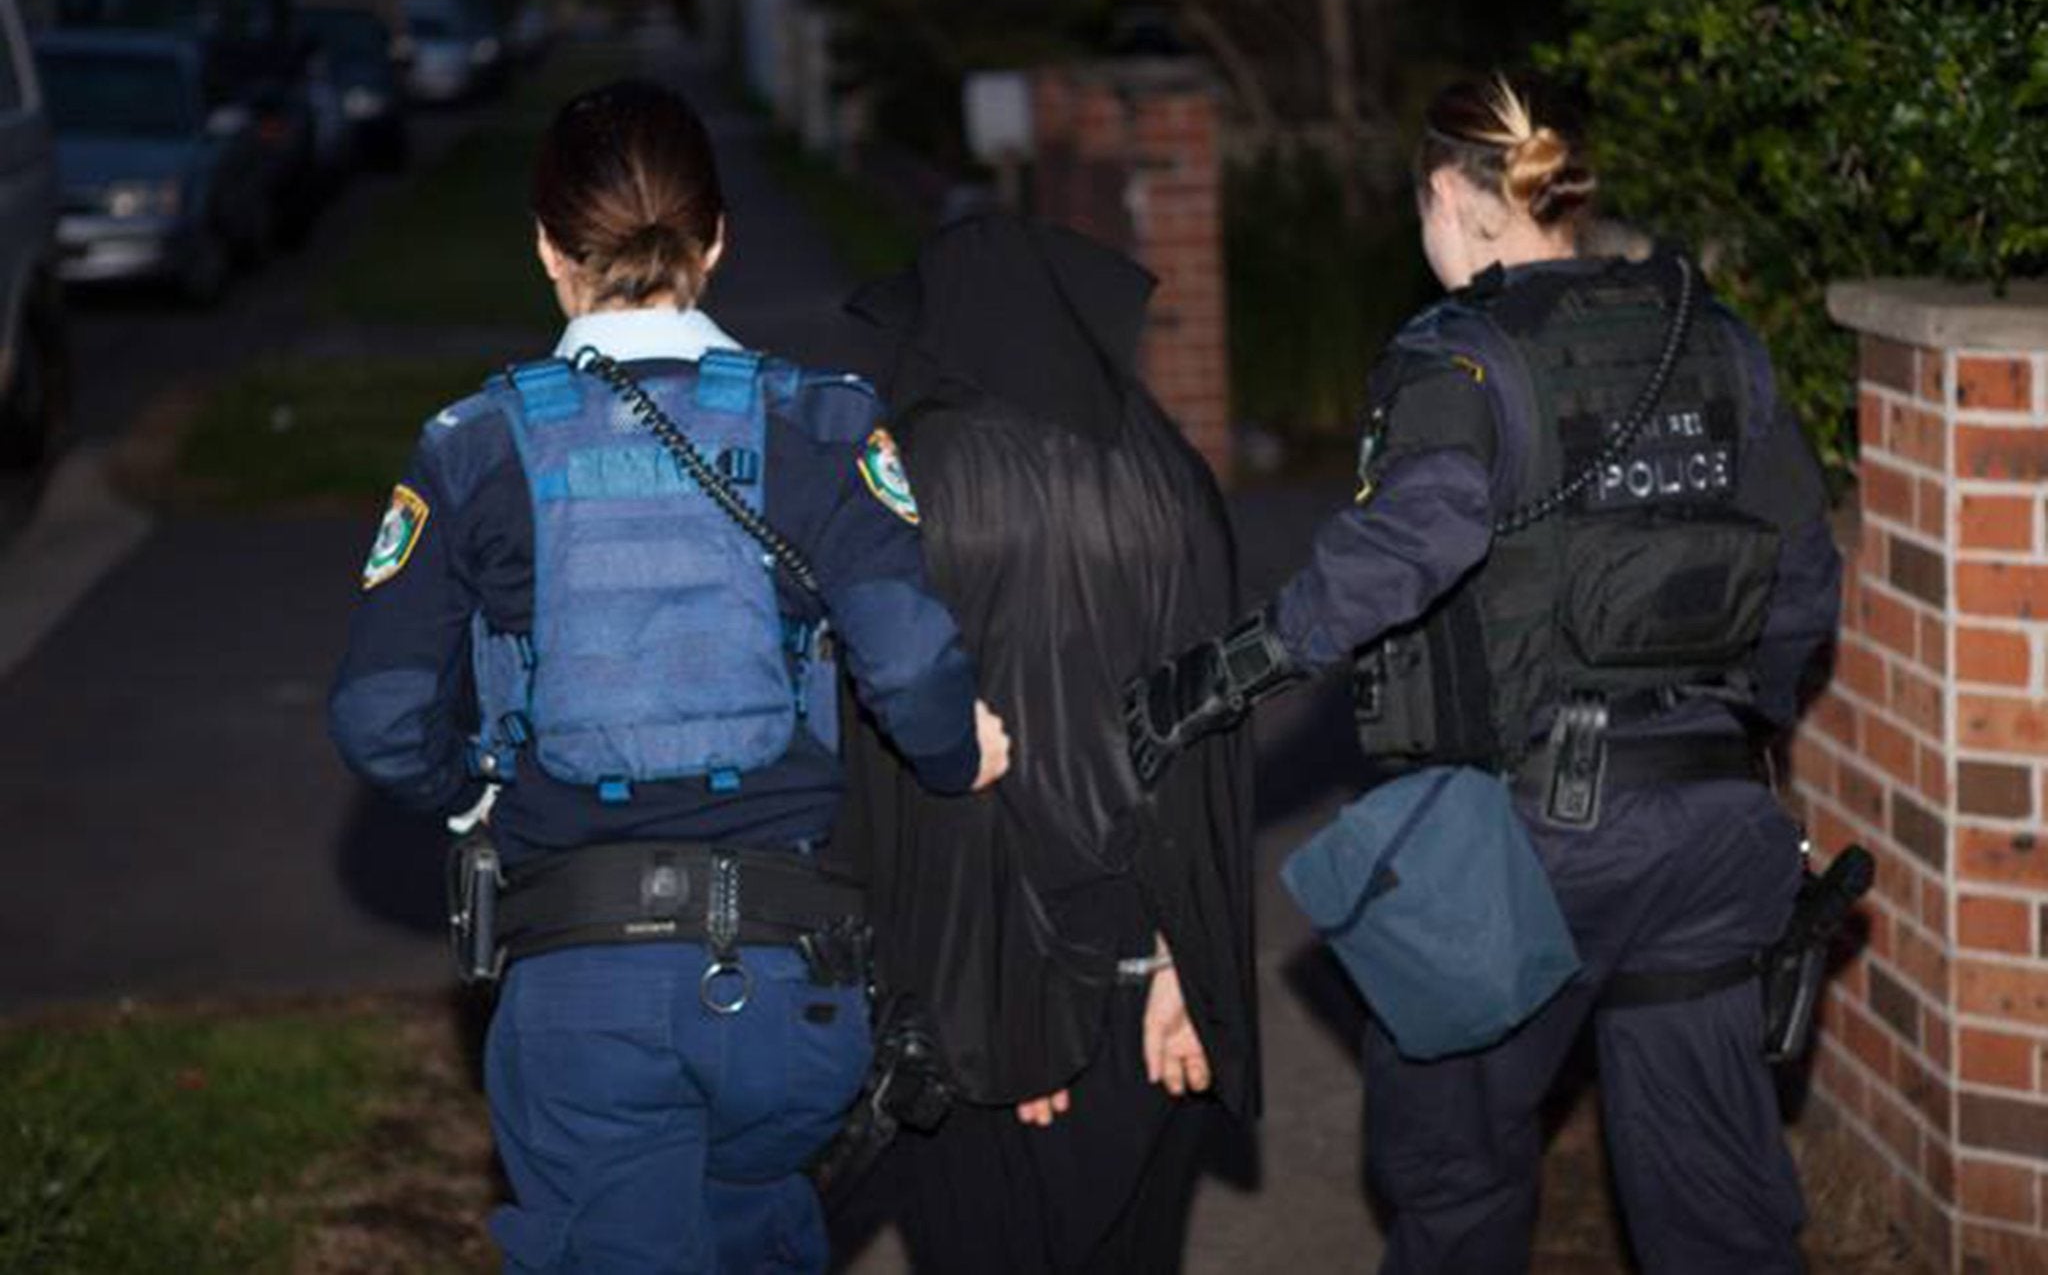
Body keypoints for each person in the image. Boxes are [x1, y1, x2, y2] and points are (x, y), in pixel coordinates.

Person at [1126, 75, 1841, 1274]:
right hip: (1714, 833)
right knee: (1717, 1204)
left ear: (1450, 197)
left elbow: (1401, 553)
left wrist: (1216, 680)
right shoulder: (1712, 335)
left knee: (1453, 1184)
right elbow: (1805, 580)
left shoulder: (1462, 359)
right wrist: (1723, 733)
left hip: (1524, 851)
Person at [327, 79, 1010, 1275]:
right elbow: (908, 662)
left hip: (584, 993)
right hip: (792, 996)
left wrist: (472, 789)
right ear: (716, 240)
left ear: (548, 248)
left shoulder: (474, 447)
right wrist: (961, 755)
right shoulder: (824, 425)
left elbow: (381, 715)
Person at [833, 213, 1258, 1273]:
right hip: (1147, 983)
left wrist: (1005, 1013)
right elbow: (1210, 752)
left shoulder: (916, 480)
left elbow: (894, 782)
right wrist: (1188, 965)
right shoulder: (1169, 477)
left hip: (981, 995)